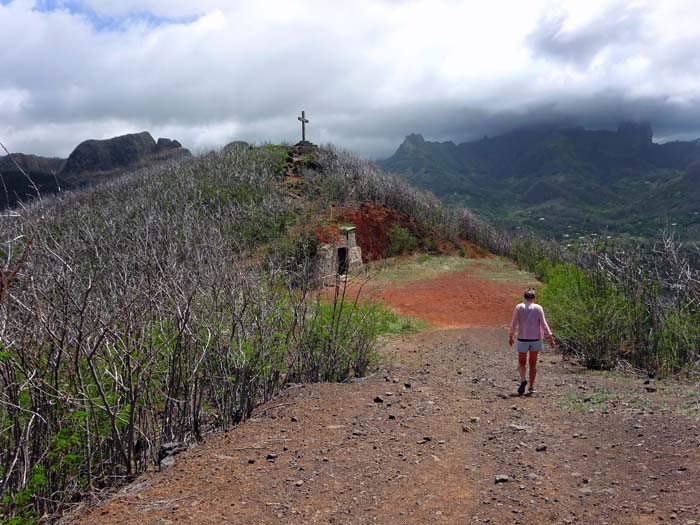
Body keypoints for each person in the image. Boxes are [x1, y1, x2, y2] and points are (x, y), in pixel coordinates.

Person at [508, 287, 555, 396]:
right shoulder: (538, 308)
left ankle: (523, 379)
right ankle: (531, 387)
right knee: (533, 363)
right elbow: (544, 324)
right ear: (533, 297)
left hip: (522, 338)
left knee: (521, 362)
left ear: (524, 296)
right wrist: (550, 337)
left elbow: (513, 323)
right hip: (536, 339)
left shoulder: (519, 307)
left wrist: (510, 336)